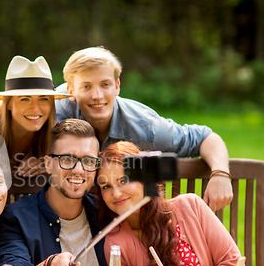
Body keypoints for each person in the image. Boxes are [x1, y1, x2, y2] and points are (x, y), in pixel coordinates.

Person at [55, 46, 232, 212]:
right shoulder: (58, 110)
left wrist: (221, 174)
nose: (97, 96)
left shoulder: (147, 127)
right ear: (71, 91)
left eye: (105, 84)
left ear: (117, 86)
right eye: (86, 86)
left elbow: (205, 137)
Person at [96, 141, 245, 266]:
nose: (116, 194)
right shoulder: (115, 243)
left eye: (124, 181)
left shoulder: (191, 206)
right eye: (106, 186)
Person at [0, 119, 108, 266]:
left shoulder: (106, 212)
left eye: (88, 161)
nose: (78, 170)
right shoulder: (15, 218)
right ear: (48, 164)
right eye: (68, 159)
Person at [0, 55, 72, 177]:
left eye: (43, 99)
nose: (35, 108)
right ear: (8, 104)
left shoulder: (56, 134)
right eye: (25, 99)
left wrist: (50, 164)